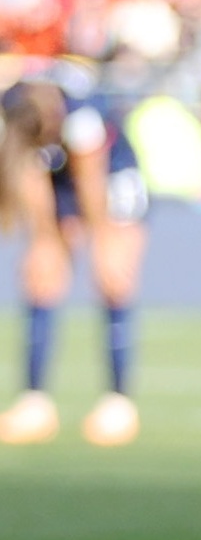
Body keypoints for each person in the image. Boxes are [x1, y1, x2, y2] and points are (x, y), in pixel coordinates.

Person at [0, 72, 148, 448]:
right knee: (41, 275)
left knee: (114, 279)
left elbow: (90, 178)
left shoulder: (81, 116)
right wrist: (45, 239)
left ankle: (118, 402)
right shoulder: (14, 110)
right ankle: (35, 402)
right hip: (60, 175)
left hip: (111, 173)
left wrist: (103, 242)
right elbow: (28, 175)